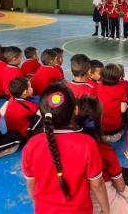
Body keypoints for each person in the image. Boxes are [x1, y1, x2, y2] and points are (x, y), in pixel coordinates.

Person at [21, 84, 109, 213]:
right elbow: (98, 184)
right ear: (76, 110)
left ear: (42, 113)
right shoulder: (87, 143)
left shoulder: (32, 144)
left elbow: (31, 185)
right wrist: (105, 210)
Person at [77, 96, 128, 214]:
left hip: (80, 195)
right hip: (104, 191)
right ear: (99, 119)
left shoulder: (68, 145)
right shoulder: (104, 149)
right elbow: (117, 184)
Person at [96, 64, 128, 143]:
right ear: (119, 77)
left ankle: (103, 137)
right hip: (115, 128)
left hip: (100, 127)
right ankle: (114, 136)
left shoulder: (99, 86)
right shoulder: (122, 89)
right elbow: (123, 110)